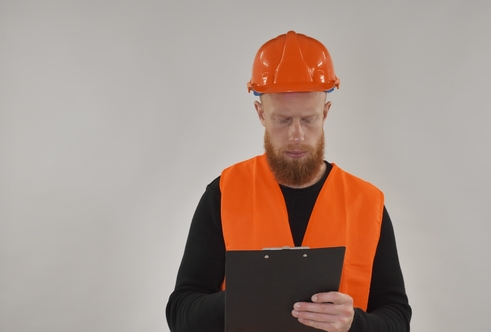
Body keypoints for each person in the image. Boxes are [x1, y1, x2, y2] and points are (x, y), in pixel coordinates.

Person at [166, 30, 412, 332]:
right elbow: (180, 314)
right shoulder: (224, 192)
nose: (297, 135)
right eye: (283, 120)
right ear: (261, 113)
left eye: (308, 119)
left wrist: (354, 323)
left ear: (325, 112)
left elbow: (398, 320)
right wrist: (246, 298)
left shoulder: (367, 203)